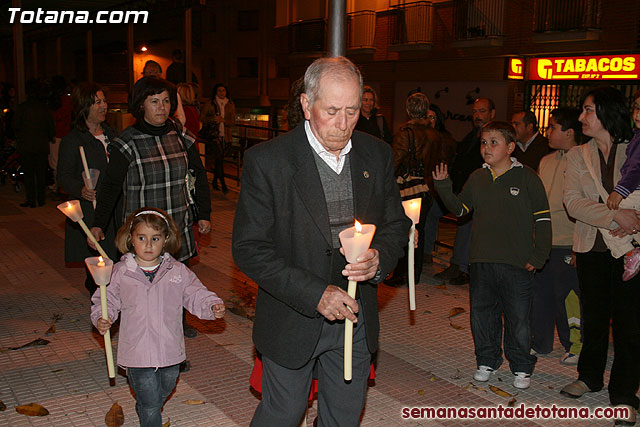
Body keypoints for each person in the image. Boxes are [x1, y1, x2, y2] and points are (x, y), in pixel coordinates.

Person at [232, 56, 411, 426]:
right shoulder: (269, 161)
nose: (343, 124)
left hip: (356, 317)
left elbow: (396, 224)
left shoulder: (376, 155)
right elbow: (249, 248)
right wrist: (316, 294)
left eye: (352, 110)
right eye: (331, 111)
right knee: (283, 414)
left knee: (344, 418)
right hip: (292, 315)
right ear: (305, 104)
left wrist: (380, 258)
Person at [89, 76, 211, 344]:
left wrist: (204, 214)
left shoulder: (180, 134)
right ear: (141, 105)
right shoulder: (127, 141)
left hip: (176, 225)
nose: (162, 107)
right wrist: (99, 223)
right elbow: (110, 186)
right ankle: (145, 338)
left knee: (177, 281)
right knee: (146, 287)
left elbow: (198, 175)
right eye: (154, 101)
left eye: (166, 101)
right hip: (144, 232)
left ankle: (174, 333)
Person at [433, 121, 551, 390]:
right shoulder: (478, 177)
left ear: (510, 147)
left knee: (518, 317)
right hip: (482, 261)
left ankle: (521, 366)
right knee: (482, 315)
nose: (486, 148)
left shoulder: (527, 177)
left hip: (518, 262)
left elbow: (543, 218)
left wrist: (540, 254)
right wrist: (443, 187)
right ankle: (486, 360)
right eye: (484, 142)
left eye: (494, 142)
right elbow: (461, 210)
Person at [92, 207, 224, 427]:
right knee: (152, 403)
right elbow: (106, 300)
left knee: (165, 387)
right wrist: (102, 317)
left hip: (170, 348)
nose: (148, 245)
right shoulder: (120, 272)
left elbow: (195, 292)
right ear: (131, 239)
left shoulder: (177, 271)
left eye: (155, 238)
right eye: (142, 238)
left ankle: (145, 407)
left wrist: (211, 305)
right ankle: (149, 412)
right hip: (137, 351)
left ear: (166, 240)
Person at [560, 87, 640, 426]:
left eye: (588, 110)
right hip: (591, 248)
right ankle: (590, 376)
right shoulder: (578, 155)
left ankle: (623, 394)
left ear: (606, 112)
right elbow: (573, 203)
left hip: (630, 250)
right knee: (593, 318)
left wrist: (633, 217)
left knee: (629, 325)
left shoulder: (635, 148)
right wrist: (616, 217)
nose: (581, 117)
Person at [530, 107, 583, 365]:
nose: (548, 132)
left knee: (569, 298)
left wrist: (578, 246)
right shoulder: (546, 160)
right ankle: (541, 342)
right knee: (540, 295)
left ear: (570, 132)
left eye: (553, 127)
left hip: (568, 242)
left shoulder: (584, 161)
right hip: (544, 243)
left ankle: (575, 343)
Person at [57, 83, 119, 297]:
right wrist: (80, 189)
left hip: (115, 207)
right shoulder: (73, 141)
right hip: (92, 209)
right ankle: (100, 302)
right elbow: (63, 176)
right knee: (100, 259)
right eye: (97, 102)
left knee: (117, 257)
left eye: (104, 101)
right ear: (84, 107)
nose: (103, 106)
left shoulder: (112, 135)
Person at [390, 92, 456, 284]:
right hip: (427, 190)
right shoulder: (435, 135)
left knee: (404, 230)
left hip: (406, 190)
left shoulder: (405, 134)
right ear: (426, 110)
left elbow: (394, 162)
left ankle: (403, 274)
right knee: (420, 230)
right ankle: (414, 273)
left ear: (408, 110)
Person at [435, 97, 495, 285]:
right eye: (475, 111)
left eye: (482, 111)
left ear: (492, 113)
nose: (477, 115)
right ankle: (454, 263)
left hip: (483, 193)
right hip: (466, 189)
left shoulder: (493, 137)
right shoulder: (473, 135)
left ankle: (462, 268)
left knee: (467, 224)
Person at [606, 89, 640, 281]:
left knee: (605, 214)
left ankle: (628, 251)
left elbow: (636, 168)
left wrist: (619, 191)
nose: (638, 114)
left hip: (635, 190)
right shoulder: (636, 136)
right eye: (636, 108)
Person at [13, 79, 55, 208]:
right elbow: (51, 127)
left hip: (26, 145)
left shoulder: (22, 108)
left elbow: (15, 125)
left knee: (29, 174)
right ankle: (41, 199)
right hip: (41, 145)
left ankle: (31, 199)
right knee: (41, 173)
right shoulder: (44, 109)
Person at [201, 83, 235, 193]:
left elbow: (232, 121)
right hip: (214, 136)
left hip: (225, 136)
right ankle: (223, 184)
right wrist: (213, 119)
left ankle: (216, 181)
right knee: (219, 159)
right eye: (219, 90)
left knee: (219, 161)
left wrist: (223, 121)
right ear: (216, 92)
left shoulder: (230, 104)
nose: (221, 93)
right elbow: (203, 118)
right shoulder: (210, 104)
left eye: (223, 90)